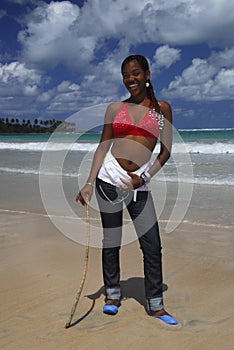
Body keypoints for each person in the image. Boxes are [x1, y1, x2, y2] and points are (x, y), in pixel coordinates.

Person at [76, 54, 178, 325]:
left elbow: (165, 152)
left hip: (137, 184)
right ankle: (111, 296)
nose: (130, 79)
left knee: (152, 245)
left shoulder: (162, 109)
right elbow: (102, 146)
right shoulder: (114, 109)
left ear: (147, 74)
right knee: (111, 241)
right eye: (125, 75)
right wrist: (88, 182)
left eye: (135, 73)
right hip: (108, 180)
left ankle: (156, 304)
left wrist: (142, 179)